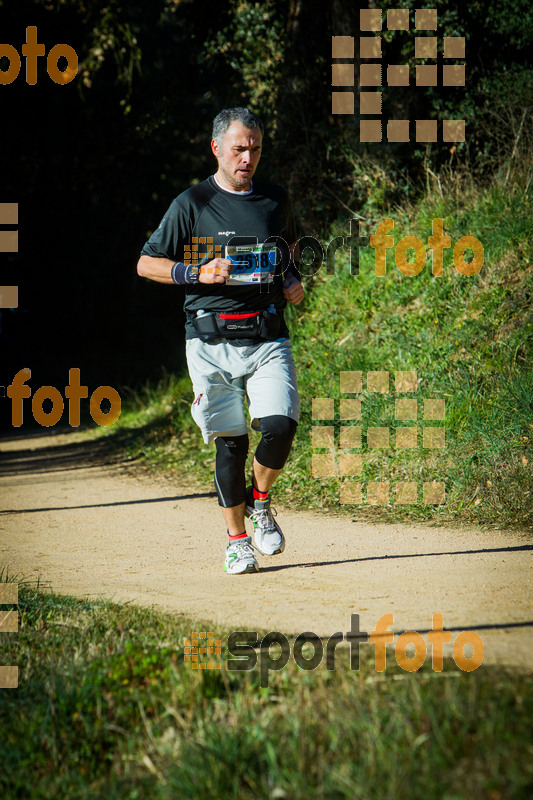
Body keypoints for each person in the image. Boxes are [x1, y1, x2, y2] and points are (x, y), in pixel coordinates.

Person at [137, 107, 304, 575]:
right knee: (230, 444)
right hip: (209, 342)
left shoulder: (276, 199)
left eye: (255, 148)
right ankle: (236, 541)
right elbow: (146, 263)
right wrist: (197, 272)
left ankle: (261, 503)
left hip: (268, 334)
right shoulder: (192, 204)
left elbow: (288, 249)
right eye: (238, 148)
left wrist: (293, 278)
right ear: (216, 148)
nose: (247, 157)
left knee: (280, 425)